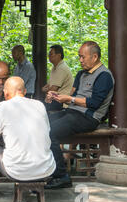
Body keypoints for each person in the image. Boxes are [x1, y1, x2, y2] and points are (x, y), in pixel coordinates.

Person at [0, 77, 56, 200]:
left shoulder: (3, 107)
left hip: (17, 171)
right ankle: (34, 186)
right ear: (24, 92)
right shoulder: (40, 105)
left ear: (6, 93)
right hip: (46, 170)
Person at [45, 41, 114, 189]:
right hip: (72, 112)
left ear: (94, 57)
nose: (80, 60)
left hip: (88, 117)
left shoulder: (104, 76)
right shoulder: (81, 74)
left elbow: (94, 103)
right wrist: (57, 95)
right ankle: (43, 169)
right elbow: (73, 94)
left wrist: (70, 99)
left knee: (49, 132)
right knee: (40, 123)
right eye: (79, 57)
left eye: (83, 57)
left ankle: (61, 176)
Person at [41, 45, 73, 112]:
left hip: (62, 102)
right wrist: (46, 89)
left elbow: (52, 89)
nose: (48, 56)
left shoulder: (61, 68)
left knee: (39, 109)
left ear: (59, 55)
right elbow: (48, 86)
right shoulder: (55, 67)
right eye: (48, 54)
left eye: (51, 54)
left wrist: (45, 90)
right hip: (54, 99)